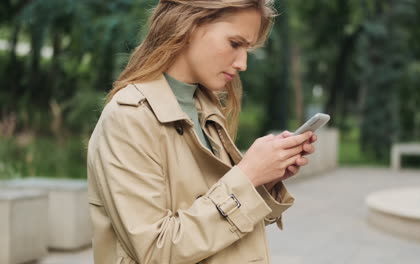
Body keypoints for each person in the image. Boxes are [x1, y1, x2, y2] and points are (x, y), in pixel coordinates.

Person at [87, 0, 317, 263]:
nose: (242, 63)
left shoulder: (203, 108)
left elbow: (216, 228)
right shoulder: (129, 118)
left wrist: (265, 179)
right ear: (189, 25)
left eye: (247, 49)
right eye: (235, 44)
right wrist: (248, 176)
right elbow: (155, 251)